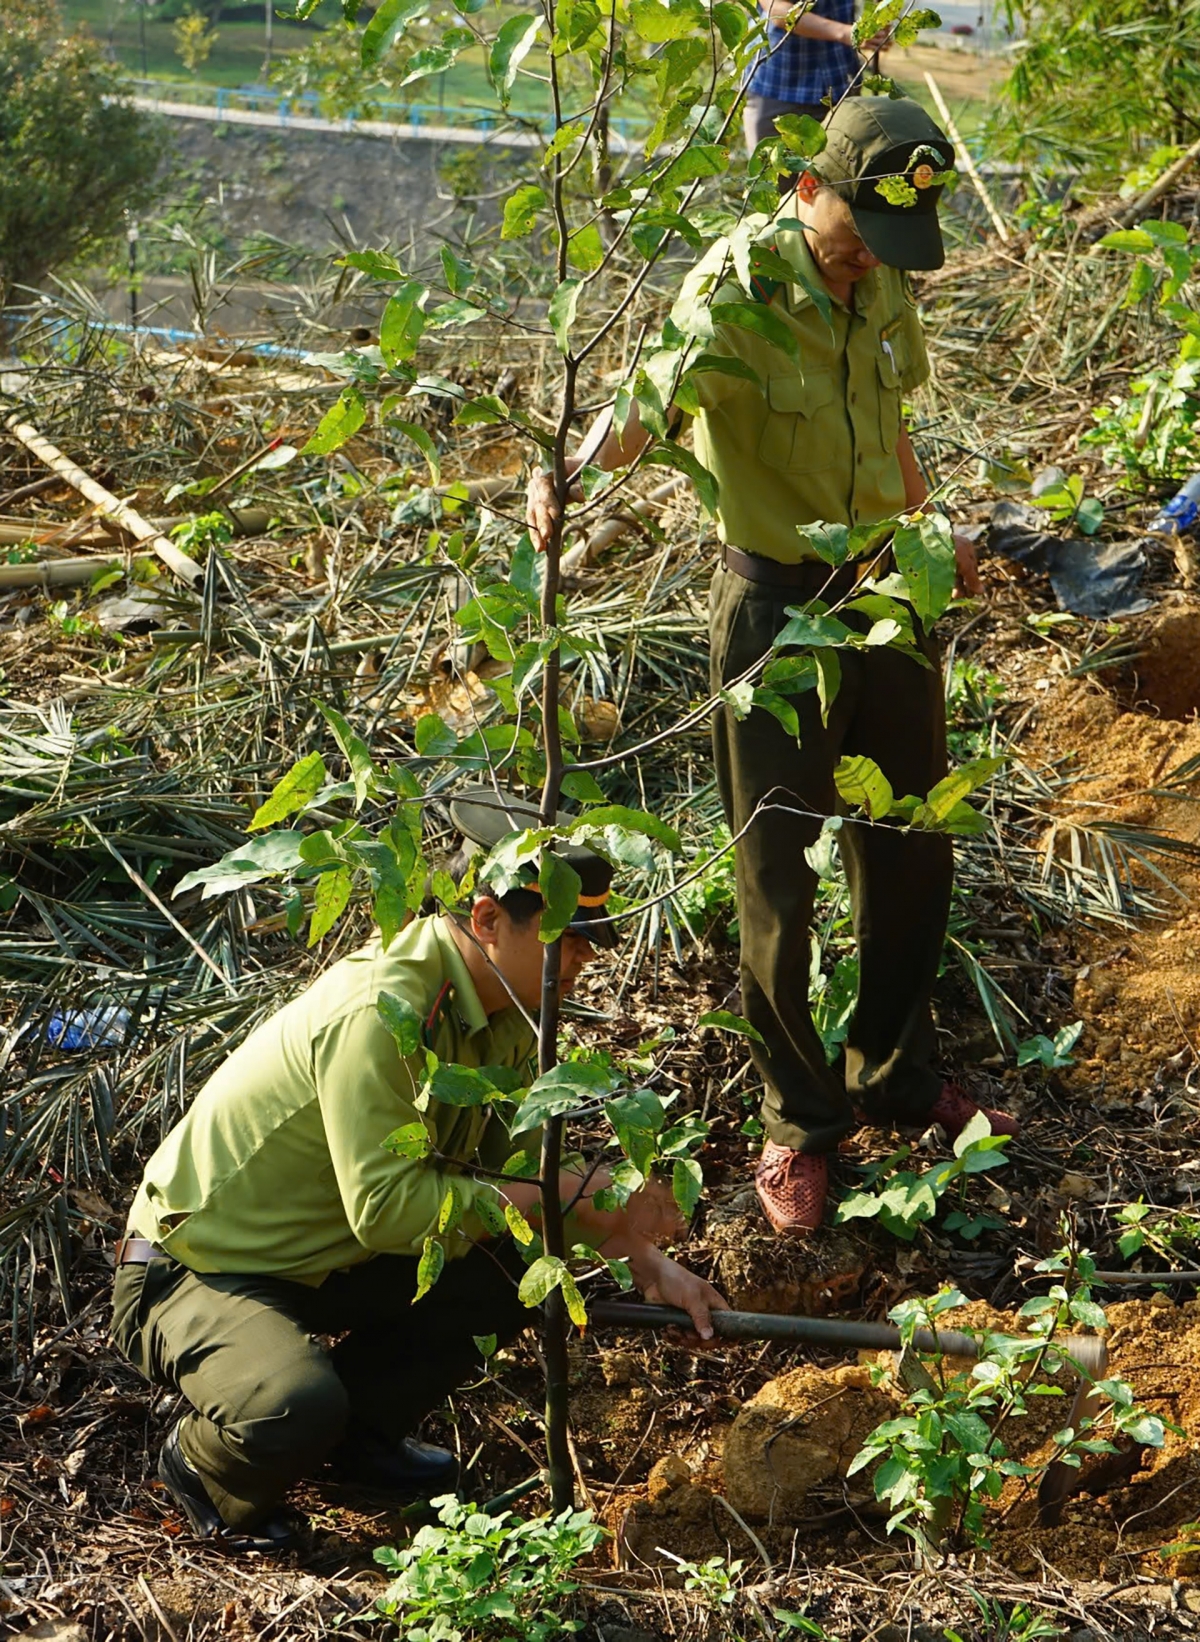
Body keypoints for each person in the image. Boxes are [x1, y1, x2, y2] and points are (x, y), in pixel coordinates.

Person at [527, 97, 1019, 1240]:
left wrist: (932, 545)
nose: (862, 268)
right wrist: (570, 476)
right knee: (779, 874)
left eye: (883, 253)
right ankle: (800, 1120)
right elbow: (647, 402)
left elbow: (891, 425)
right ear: (808, 189)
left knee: (908, 842)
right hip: (779, 611)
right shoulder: (736, 287)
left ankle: (894, 1071)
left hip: (889, 593)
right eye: (850, 240)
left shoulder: (884, 268)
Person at [112, 786, 727, 1552]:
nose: (582, 962)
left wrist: (641, 1255)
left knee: (519, 1261)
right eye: (564, 938)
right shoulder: (383, 1015)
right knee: (293, 1404)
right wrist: (562, 1195)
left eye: (588, 942)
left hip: (322, 1258)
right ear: (487, 921)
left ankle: (357, 1443)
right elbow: (390, 1209)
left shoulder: (502, 1007)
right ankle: (204, 1468)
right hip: (199, 1268)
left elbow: (508, 1168)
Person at [743, 0, 892, 188]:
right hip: (779, 84)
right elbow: (778, 9)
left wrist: (877, 23)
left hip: (840, 82)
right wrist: (848, 33)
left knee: (838, 191)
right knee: (774, 189)